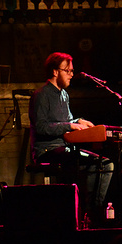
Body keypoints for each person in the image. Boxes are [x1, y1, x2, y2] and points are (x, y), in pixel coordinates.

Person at [32, 52, 114, 223]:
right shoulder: (41, 95)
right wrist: (70, 125)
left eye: (71, 71)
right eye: (67, 70)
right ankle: (89, 214)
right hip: (47, 150)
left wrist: (78, 121)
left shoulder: (64, 95)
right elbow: (41, 127)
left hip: (65, 147)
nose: (71, 74)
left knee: (106, 164)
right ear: (55, 72)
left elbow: (67, 121)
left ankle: (92, 211)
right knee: (96, 164)